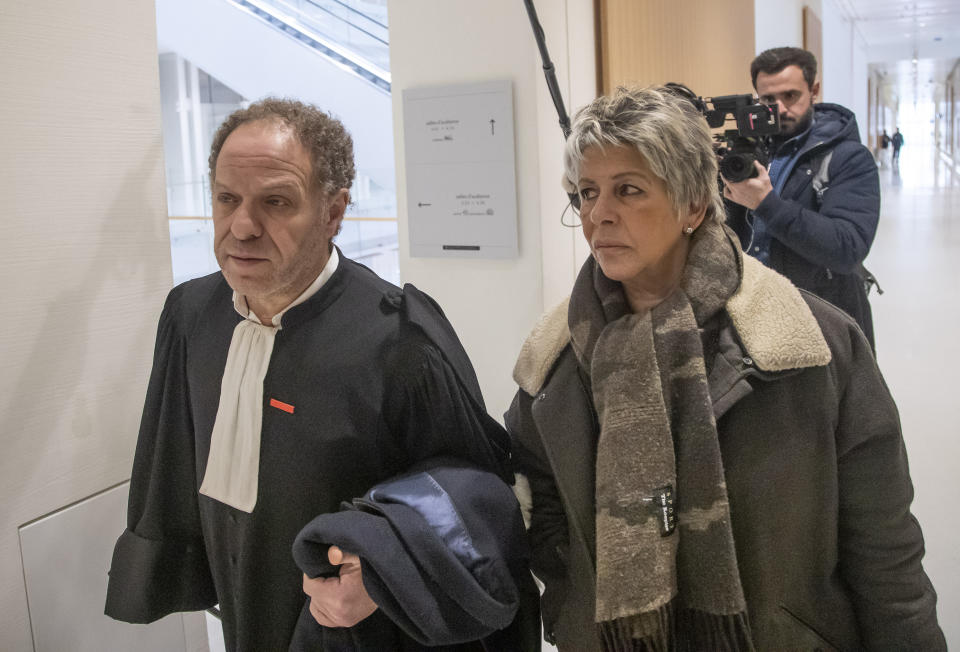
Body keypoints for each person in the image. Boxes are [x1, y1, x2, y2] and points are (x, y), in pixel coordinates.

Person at [507, 85, 945, 651]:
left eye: (628, 190)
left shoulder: (812, 345)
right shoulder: (555, 358)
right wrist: (575, 609)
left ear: (693, 204)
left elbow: (886, 556)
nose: (599, 215)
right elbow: (538, 506)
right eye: (587, 193)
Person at [104, 98, 539, 651]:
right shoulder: (192, 313)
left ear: (334, 212)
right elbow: (171, 453)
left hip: (357, 629)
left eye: (276, 202)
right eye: (226, 199)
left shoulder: (400, 340)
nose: (242, 226)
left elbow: (477, 500)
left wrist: (384, 578)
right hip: (238, 599)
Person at [723, 47, 880, 348]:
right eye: (768, 99)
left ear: (814, 90)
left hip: (822, 316)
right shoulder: (747, 153)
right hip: (752, 312)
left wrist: (766, 205)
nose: (779, 108)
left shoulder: (848, 157)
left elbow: (847, 248)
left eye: (790, 96)